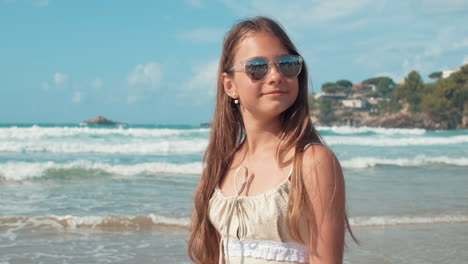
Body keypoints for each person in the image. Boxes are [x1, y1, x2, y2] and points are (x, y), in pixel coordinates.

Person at [188, 16, 355, 264]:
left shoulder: (312, 162)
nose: (275, 75)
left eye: (287, 64)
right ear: (229, 85)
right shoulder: (218, 167)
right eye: (257, 67)